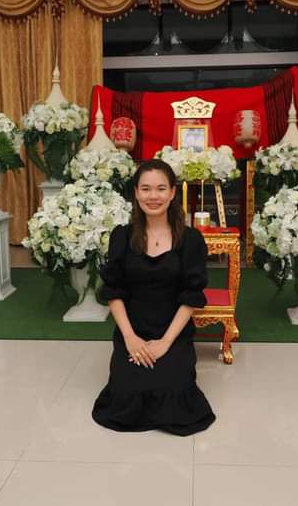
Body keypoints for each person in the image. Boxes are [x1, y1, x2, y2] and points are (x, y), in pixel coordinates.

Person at [92, 159, 216, 436]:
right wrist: (130, 338)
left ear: (172, 193)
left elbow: (191, 296)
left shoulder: (191, 239)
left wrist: (165, 343)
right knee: (126, 393)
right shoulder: (121, 236)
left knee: (173, 392)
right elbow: (114, 290)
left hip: (173, 332)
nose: (153, 196)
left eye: (161, 188)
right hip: (133, 330)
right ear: (136, 193)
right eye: (146, 189)